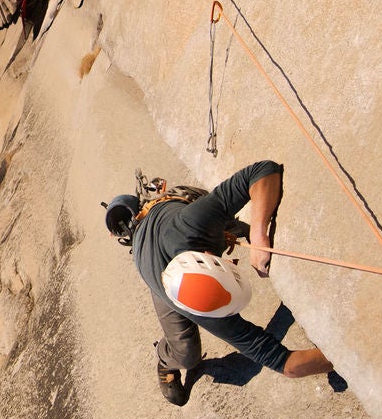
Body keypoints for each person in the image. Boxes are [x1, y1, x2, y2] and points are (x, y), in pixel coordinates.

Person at [105, 160, 333, 406]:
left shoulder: (192, 223)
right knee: (186, 353)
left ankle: (234, 228)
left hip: (177, 220)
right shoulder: (199, 309)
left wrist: (258, 233)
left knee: (231, 225)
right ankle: (164, 358)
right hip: (154, 268)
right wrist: (343, 361)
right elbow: (286, 364)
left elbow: (263, 170)